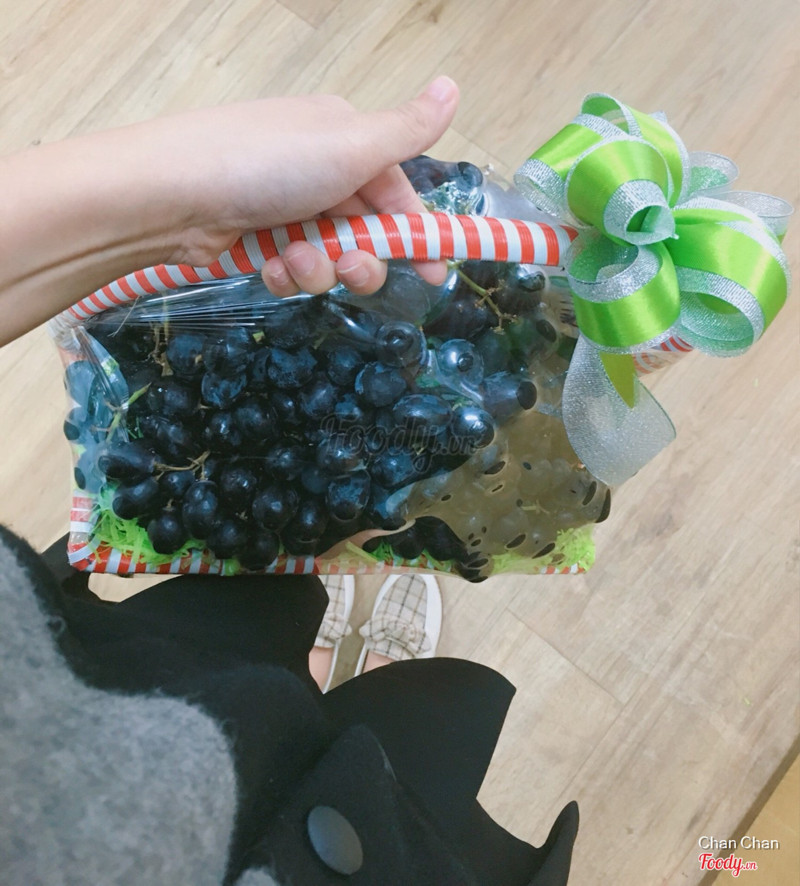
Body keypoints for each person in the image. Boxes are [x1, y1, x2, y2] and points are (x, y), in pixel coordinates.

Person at [0, 77, 579, 884]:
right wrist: (178, 190)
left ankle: (293, 671)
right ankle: (325, 684)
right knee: (378, 755)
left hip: (88, 699)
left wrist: (186, 195)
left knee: (229, 652)